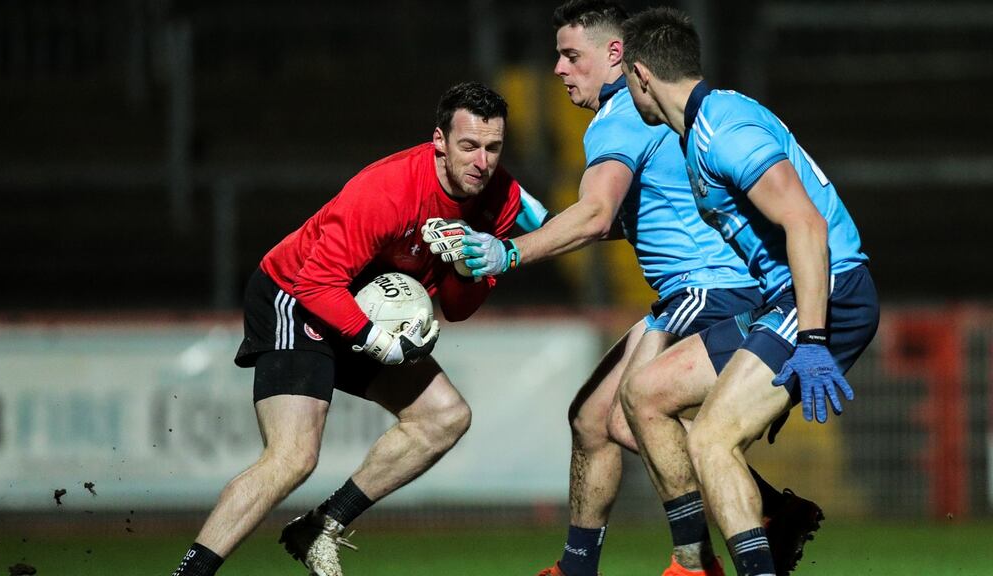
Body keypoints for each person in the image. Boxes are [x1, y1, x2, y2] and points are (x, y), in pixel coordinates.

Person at [449, 2, 822, 575]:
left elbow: (597, 215)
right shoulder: (640, 116)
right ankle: (760, 517)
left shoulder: (620, 116)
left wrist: (513, 251)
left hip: (711, 289)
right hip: (702, 289)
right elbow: (625, 221)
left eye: (572, 55)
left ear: (616, 55)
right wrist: (545, 223)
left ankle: (695, 562)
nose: (559, 69)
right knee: (595, 418)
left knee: (631, 410)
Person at [168, 81, 522, 576]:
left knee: (445, 417)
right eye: (468, 146)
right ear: (439, 140)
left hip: (361, 308)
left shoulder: (499, 201)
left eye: (492, 147)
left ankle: (322, 525)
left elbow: (459, 309)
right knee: (293, 457)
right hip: (295, 295)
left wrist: (463, 268)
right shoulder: (388, 191)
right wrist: (378, 340)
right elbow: (316, 281)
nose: (481, 162)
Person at [618, 7, 880, 576]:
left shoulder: (723, 131)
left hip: (826, 293)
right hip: (786, 300)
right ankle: (694, 565)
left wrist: (809, 339)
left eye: (625, 82)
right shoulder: (702, 129)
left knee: (712, 438)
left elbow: (807, 226)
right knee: (644, 393)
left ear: (641, 75)